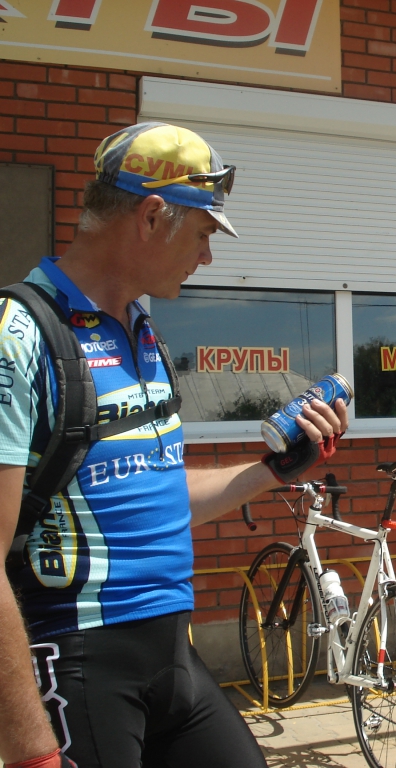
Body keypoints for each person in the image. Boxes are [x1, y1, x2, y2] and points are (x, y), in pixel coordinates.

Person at [0, 122, 347, 768]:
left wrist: (272, 470)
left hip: (171, 655)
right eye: (204, 233)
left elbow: (156, 495)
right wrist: (28, 748)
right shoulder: (19, 336)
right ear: (153, 217)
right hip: (79, 660)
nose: (208, 257)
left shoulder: (141, 330)